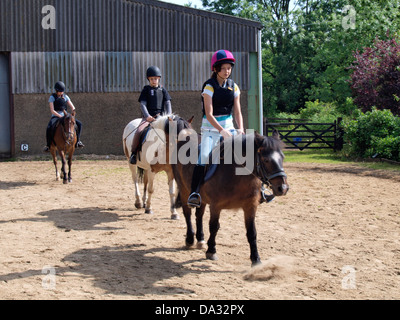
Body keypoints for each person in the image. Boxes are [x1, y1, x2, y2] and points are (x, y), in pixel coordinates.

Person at [187, 49, 245, 208]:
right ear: (216, 69)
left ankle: (258, 189)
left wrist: (241, 130)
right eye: (224, 68)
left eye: (229, 68)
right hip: (210, 130)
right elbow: (209, 114)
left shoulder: (234, 87)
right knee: (204, 156)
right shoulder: (209, 87)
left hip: (229, 128)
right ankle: (195, 192)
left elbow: (238, 111)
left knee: (247, 153)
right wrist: (221, 131)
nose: (227, 71)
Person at [129, 66, 172, 164]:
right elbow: (143, 104)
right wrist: (147, 116)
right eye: (152, 79)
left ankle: (174, 154)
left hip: (161, 118)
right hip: (148, 118)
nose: (154, 81)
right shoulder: (146, 90)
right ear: (148, 79)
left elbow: (168, 103)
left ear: (159, 79)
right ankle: (133, 153)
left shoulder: (163, 90)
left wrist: (168, 116)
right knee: (139, 131)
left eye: (156, 79)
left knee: (172, 131)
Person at [43, 81, 84, 152]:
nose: (61, 93)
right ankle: (48, 145)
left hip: (65, 116)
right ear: (56, 90)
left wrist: (72, 114)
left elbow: (72, 107)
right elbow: (52, 110)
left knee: (79, 124)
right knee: (49, 127)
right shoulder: (52, 97)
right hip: (56, 116)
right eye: (60, 91)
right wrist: (59, 116)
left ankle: (78, 141)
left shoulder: (65, 97)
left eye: (62, 91)